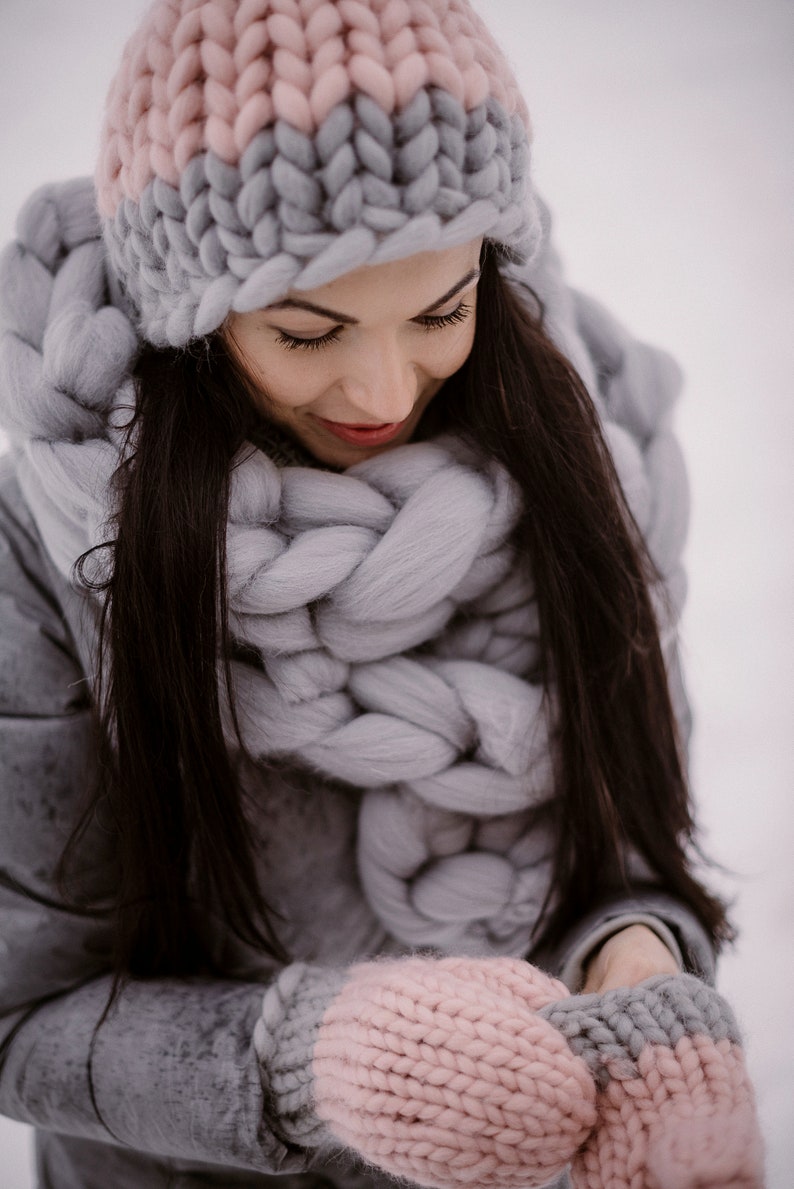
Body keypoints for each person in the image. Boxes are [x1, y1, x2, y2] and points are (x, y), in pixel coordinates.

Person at [0, 2, 764, 1188]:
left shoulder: (584, 460)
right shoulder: (49, 551)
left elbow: (618, 847)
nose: (382, 383)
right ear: (186, 320)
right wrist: (307, 1063)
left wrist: (633, 963)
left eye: (439, 312)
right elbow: (23, 1016)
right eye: (307, 331)